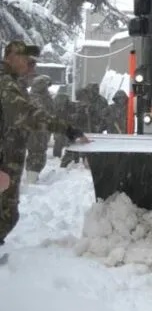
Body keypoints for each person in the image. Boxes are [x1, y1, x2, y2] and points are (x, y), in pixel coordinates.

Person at [0, 41, 88, 250]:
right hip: (4, 159)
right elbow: (27, 115)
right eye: (25, 60)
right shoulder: (5, 84)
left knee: (7, 214)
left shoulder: (12, 82)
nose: (29, 66)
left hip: (7, 158)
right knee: (7, 214)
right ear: (10, 56)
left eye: (31, 62)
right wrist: (67, 129)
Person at [23, 74, 53, 183]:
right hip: (37, 132)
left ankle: (32, 177)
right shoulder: (36, 98)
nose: (48, 88)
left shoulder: (39, 97)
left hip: (40, 132)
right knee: (37, 155)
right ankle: (31, 180)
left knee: (36, 154)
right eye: (46, 86)